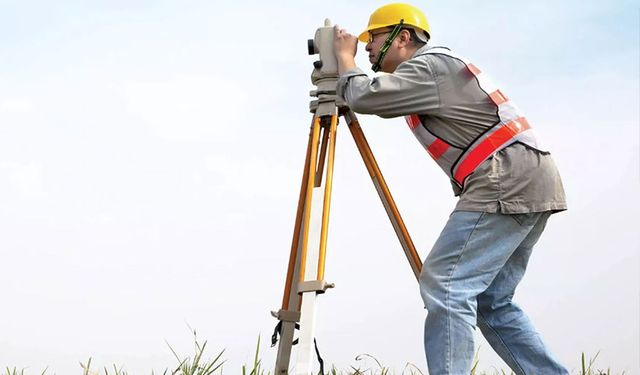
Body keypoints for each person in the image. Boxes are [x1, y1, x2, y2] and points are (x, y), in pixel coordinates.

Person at [333, 3, 569, 375]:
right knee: (492, 302)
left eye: (374, 38)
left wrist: (344, 61)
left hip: (504, 176)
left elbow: (365, 96)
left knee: (445, 285)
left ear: (402, 37)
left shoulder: (429, 65)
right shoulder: (434, 70)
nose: (367, 47)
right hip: (527, 177)